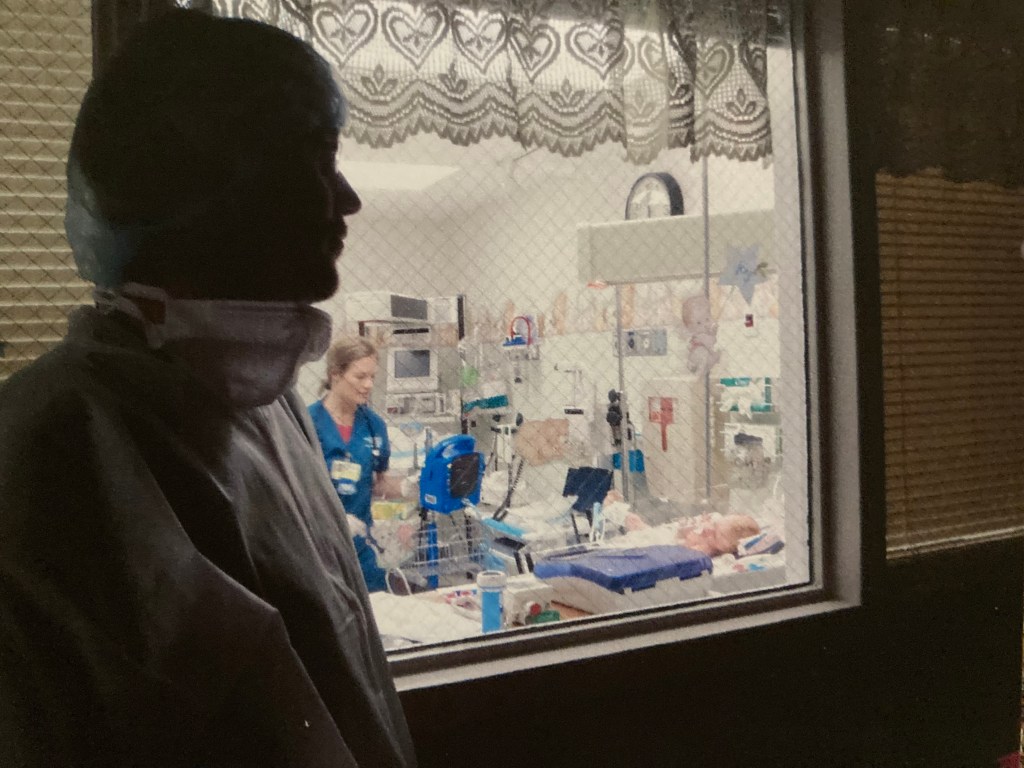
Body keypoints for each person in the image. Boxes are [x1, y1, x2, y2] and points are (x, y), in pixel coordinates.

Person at [0, 10, 416, 768]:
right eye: (317, 160)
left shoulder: (265, 405)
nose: (347, 198)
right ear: (216, 184)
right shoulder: (50, 451)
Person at [309, 337, 392, 592]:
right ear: (336, 374)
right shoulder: (307, 423)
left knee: (376, 607)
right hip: (319, 546)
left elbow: (379, 485)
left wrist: (414, 487)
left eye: (372, 377)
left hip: (362, 547)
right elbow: (294, 491)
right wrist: (334, 518)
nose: (368, 385)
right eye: (360, 376)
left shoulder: (374, 425)